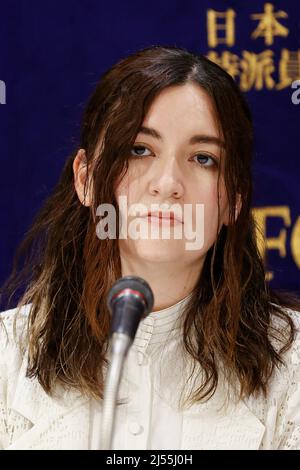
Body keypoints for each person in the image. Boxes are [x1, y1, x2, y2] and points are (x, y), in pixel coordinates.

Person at [0, 45, 300, 450]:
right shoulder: (8, 355)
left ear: (235, 199)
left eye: (203, 158)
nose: (168, 183)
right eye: (139, 150)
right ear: (85, 179)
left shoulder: (292, 362)